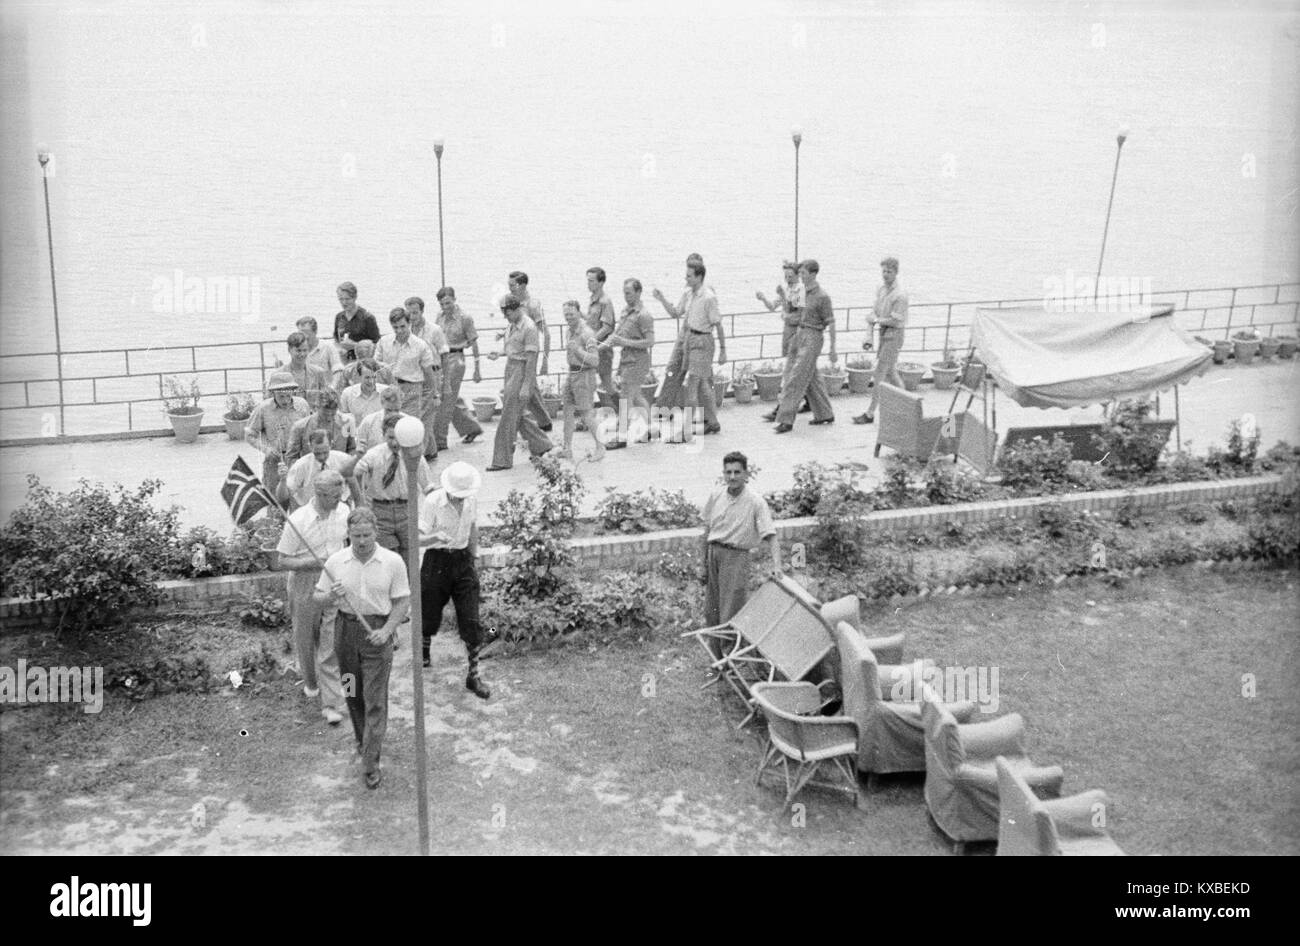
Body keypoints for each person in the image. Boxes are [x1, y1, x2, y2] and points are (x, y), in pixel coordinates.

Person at [314, 507, 410, 789]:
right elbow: (317, 597)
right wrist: (331, 595)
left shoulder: (392, 562)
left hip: (377, 633)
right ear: (349, 534)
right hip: (345, 631)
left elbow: (402, 601)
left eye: (367, 534)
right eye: (356, 535)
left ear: (376, 533)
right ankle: (362, 739)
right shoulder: (336, 561)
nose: (362, 541)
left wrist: (388, 630)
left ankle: (370, 760)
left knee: (375, 698)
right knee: (352, 690)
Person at [277, 469, 350, 726]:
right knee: (306, 638)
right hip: (305, 582)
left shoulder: (343, 512)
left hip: (333, 580)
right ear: (319, 494)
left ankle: (332, 701)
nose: (338, 501)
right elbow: (282, 560)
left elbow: (346, 543)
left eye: (340, 496)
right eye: (333, 497)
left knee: (331, 641)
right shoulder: (298, 519)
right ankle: (310, 684)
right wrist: (313, 561)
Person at [419, 461, 493, 699]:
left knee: (471, 617)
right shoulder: (432, 502)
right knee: (429, 612)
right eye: (457, 496)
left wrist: (474, 556)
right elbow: (416, 539)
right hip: (436, 561)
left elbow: (472, 528)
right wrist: (433, 538)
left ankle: (473, 675)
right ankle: (424, 648)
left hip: (462, 561)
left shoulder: (471, 500)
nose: (461, 499)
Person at [701, 451, 781, 631]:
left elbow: (771, 535)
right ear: (723, 474)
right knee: (711, 611)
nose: (732, 477)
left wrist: (777, 566)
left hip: (735, 559)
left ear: (746, 474)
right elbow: (706, 531)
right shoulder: (716, 495)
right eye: (728, 472)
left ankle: (735, 658)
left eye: (737, 472)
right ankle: (717, 656)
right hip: (714, 554)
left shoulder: (755, 502)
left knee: (730, 613)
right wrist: (703, 562)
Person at [652, 259, 725, 441]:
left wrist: (723, 350)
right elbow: (676, 312)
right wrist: (661, 299)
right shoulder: (689, 293)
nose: (686, 279)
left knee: (692, 386)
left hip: (703, 341)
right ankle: (713, 422)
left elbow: (718, 324)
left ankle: (685, 432)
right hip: (689, 338)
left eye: (689, 276)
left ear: (699, 277)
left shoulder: (708, 297)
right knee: (702, 385)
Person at [486, 295, 553, 471]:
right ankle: (542, 445)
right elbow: (514, 348)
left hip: (521, 372)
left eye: (507, 313)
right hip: (511, 368)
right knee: (518, 413)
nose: (505, 316)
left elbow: (531, 359)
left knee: (508, 417)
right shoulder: (513, 324)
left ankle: (502, 459)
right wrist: (500, 353)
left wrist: (526, 385)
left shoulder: (529, 328)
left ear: (516, 309)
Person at [352, 414, 432, 556]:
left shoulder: (414, 455)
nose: (395, 443)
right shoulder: (374, 455)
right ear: (383, 435)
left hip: (407, 511)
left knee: (410, 556)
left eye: (398, 438)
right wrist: (360, 501)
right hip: (381, 512)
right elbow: (354, 472)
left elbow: (428, 486)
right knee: (388, 556)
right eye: (390, 438)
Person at [773, 259, 838, 433]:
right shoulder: (802, 292)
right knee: (811, 378)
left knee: (796, 377)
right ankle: (825, 413)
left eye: (803, 273)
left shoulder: (822, 297)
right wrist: (782, 297)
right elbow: (792, 309)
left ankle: (785, 419)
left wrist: (833, 348)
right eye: (800, 273)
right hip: (799, 333)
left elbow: (831, 323)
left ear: (813, 274)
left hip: (813, 336)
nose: (800, 276)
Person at [376, 307, 439, 462]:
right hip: (390, 388)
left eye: (403, 326)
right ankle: (394, 460)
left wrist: (435, 394)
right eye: (395, 327)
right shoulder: (384, 342)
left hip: (412, 389)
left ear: (409, 324)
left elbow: (428, 373)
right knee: (390, 425)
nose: (399, 330)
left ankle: (413, 462)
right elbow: (377, 366)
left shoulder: (420, 345)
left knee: (410, 428)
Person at [854, 257, 909, 425]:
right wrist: (872, 320)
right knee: (891, 372)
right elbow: (876, 309)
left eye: (889, 271)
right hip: (884, 333)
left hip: (894, 334)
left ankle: (870, 413)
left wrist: (877, 321)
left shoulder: (900, 295)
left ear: (896, 272)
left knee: (879, 373)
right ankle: (908, 404)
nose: (885, 274)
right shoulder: (881, 289)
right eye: (884, 271)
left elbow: (896, 320)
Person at [601, 277, 655, 444]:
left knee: (625, 397)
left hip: (637, 360)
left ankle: (622, 437)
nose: (626, 296)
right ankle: (650, 429)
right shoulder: (625, 311)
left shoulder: (644, 315)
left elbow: (650, 341)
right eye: (624, 293)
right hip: (626, 359)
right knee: (637, 396)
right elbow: (617, 333)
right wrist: (599, 346)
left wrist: (624, 342)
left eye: (629, 293)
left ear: (639, 292)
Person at [433, 286, 485, 448]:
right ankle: (472, 428)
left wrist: (477, 368)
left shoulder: (465, 318)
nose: (445, 307)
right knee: (450, 397)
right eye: (442, 304)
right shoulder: (439, 317)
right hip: (441, 359)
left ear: (454, 300)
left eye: (448, 303)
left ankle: (440, 440)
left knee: (445, 399)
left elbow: (474, 343)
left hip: (456, 359)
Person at [245, 371, 310, 500]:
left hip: (298, 458)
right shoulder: (263, 409)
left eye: (288, 395)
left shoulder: (302, 405)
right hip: (275, 460)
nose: (285, 401)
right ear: (273, 393)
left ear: (293, 391)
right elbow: (250, 435)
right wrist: (266, 449)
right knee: (275, 499)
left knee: (299, 497)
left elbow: (309, 430)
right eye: (281, 397)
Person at [758, 261, 808, 422]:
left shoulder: (800, 290)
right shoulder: (787, 289)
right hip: (787, 331)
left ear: (797, 275)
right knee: (804, 370)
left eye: (790, 276)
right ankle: (810, 401)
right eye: (786, 276)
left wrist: (784, 300)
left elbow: (797, 314)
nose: (788, 279)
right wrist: (764, 298)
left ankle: (782, 407)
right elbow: (773, 306)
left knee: (790, 372)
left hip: (796, 331)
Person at [556, 301, 605, 463]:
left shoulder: (587, 333)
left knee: (586, 414)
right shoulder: (569, 332)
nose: (568, 317)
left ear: (579, 312)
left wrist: (578, 350)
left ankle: (600, 447)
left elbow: (595, 360)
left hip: (584, 375)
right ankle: (567, 448)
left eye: (571, 314)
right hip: (572, 373)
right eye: (566, 314)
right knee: (567, 411)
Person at [405, 296, 451, 458]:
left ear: (422, 312)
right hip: (416, 376)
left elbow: (445, 355)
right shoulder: (407, 330)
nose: (412, 317)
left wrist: (446, 383)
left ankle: (421, 454)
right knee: (419, 413)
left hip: (433, 374)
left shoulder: (435, 330)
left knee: (426, 414)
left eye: (415, 313)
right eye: (409, 313)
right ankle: (430, 450)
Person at [508, 271, 554, 432]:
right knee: (530, 389)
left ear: (523, 285)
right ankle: (544, 421)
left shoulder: (533, 305)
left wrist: (545, 361)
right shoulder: (514, 304)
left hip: (528, 356)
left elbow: (546, 333)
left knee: (524, 390)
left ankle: (623, 431)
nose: (510, 289)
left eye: (512, 285)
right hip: (517, 357)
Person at [280, 429, 361, 510]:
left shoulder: (343, 460)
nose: (322, 457)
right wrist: (282, 481)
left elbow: (354, 486)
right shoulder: (300, 466)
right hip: (310, 510)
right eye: (317, 453)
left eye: (325, 452)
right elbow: (286, 495)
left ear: (331, 445)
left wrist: (359, 509)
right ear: (310, 446)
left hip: (339, 507)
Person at [284, 387, 356, 464]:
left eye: (333, 414)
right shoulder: (300, 427)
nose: (329, 417)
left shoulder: (347, 423)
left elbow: (352, 449)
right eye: (325, 414)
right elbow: (291, 458)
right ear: (316, 408)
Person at [586, 267, 617, 395]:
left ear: (601, 282)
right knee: (588, 382)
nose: (588, 284)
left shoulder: (605, 301)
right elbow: (592, 321)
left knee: (607, 385)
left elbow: (607, 327)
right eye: (588, 280)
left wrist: (592, 340)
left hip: (602, 350)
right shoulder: (593, 299)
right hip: (593, 349)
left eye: (592, 281)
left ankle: (623, 409)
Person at [333, 281, 380, 363]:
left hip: (363, 363)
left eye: (347, 299)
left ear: (355, 297)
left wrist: (355, 346)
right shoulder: (339, 317)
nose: (344, 303)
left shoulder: (367, 318)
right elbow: (336, 339)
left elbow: (377, 346)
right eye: (341, 299)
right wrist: (339, 349)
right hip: (344, 361)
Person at [354, 385, 408, 454]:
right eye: (389, 410)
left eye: (396, 410)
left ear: (401, 404)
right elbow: (358, 446)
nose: (393, 414)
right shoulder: (368, 422)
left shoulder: (408, 423)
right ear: (382, 403)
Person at [339, 358, 390, 430]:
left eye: (374, 377)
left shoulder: (387, 392)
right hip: (356, 437)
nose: (371, 381)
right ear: (359, 376)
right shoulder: (347, 393)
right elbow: (342, 420)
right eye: (367, 377)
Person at [284, 331, 332, 408]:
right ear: (289, 350)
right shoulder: (280, 374)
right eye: (298, 350)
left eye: (305, 350)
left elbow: (325, 398)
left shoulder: (318, 372)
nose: (302, 354)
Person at [296, 316, 345, 390]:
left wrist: (332, 388)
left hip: (325, 391)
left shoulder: (328, 347)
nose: (303, 336)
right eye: (300, 333)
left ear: (315, 331)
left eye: (306, 332)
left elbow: (338, 370)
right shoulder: (296, 349)